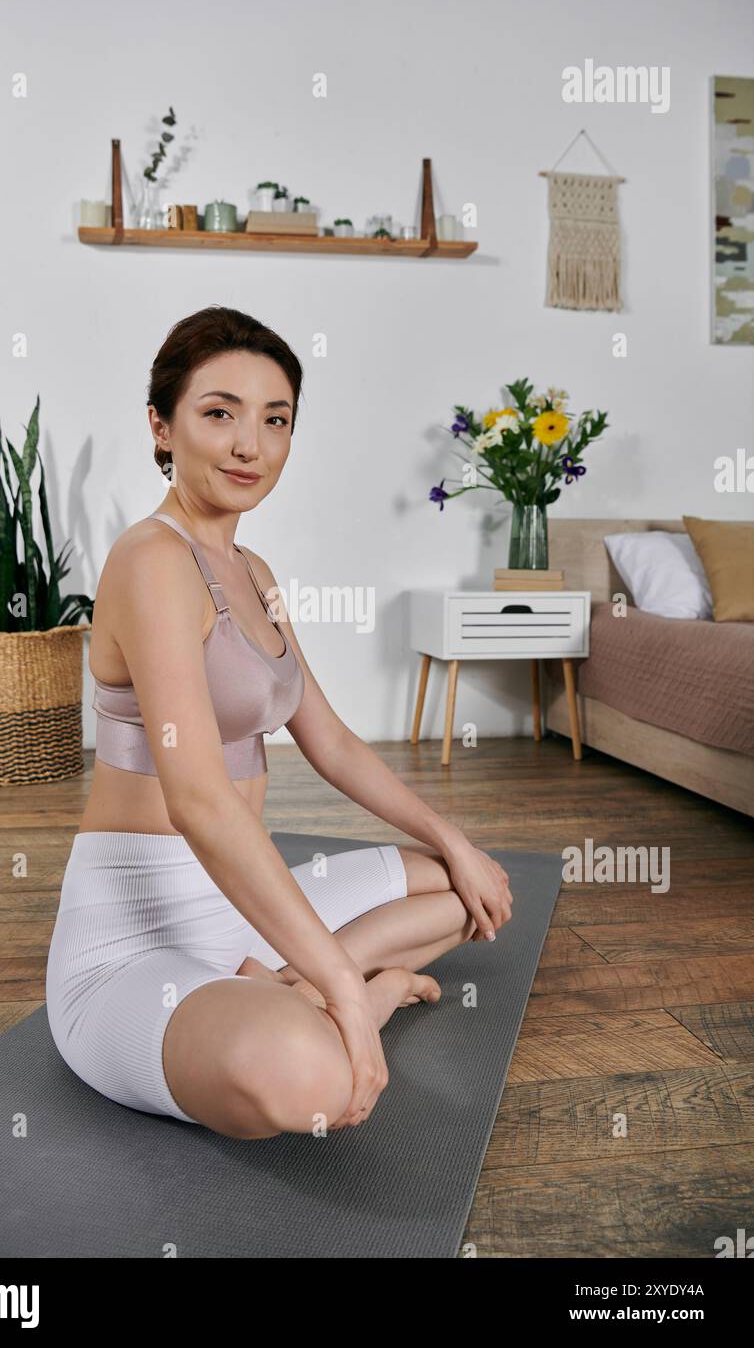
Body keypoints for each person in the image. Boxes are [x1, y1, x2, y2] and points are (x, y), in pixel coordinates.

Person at [45, 305, 512, 1139]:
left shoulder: (251, 569)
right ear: (161, 425)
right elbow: (198, 800)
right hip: (137, 937)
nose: (248, 445)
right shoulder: (151, 561)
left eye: (275, 419)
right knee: (312, 1083)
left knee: (467, 886)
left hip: (248, 902)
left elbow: (325, 738)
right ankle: (360, 991)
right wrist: (346, 984)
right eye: (218, 413)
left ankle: (297, 986)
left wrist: (456, 839)